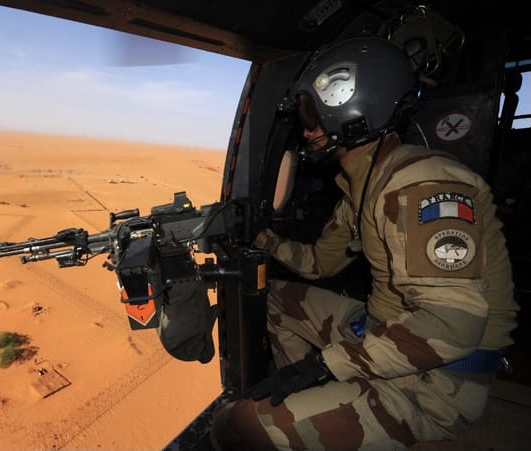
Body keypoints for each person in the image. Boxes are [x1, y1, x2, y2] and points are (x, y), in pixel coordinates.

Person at [210, 36, 519, 450]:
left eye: (311, 114)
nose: (306, 129)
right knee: (274, 299)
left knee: (236, 428)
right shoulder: (365, 184)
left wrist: (326, 365)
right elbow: (320, 263)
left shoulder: (420, 183)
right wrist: (265, 240)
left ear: (352, 111)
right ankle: (316, 405)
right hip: (384, 328)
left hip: (438, 380)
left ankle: (323, 408)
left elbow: (453, 326)